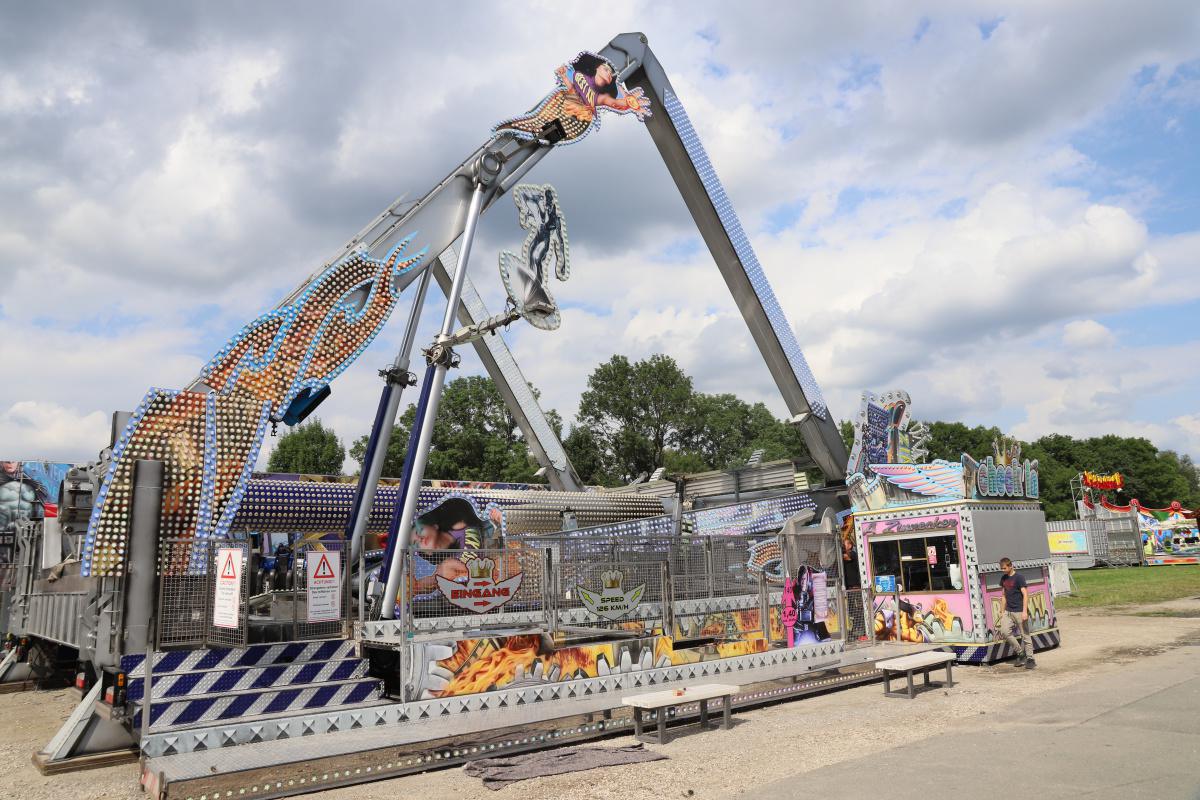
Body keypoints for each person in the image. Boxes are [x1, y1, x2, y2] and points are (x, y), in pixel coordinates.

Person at [493, 52, 650, 144]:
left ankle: (536, 133)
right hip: (561, 104)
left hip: (578, 120)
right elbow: (570, 88)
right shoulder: (580, 76)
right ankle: (522, 129)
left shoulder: (601, 96)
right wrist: (563, 74)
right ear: (597, 68)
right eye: (606, 69)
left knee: (547, 131)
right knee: (536, 122)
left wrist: (631, 104)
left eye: (610, 73)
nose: (609, 73)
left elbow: (614, 102)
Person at [998, 557, 1035, 669]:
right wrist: (1002, 611)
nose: (1003, 570)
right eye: (1001, 568)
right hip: (1008, 612)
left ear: (1010, 566)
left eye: (1004, 568)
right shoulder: (1004, 578)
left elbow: (1025, 594)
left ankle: (1030, 659)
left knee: (1025, 635)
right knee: (1004, 631)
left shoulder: (1019, 578)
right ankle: (1020, 653)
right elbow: (1003, 595)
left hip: (1019, 611)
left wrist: (1024, 611)